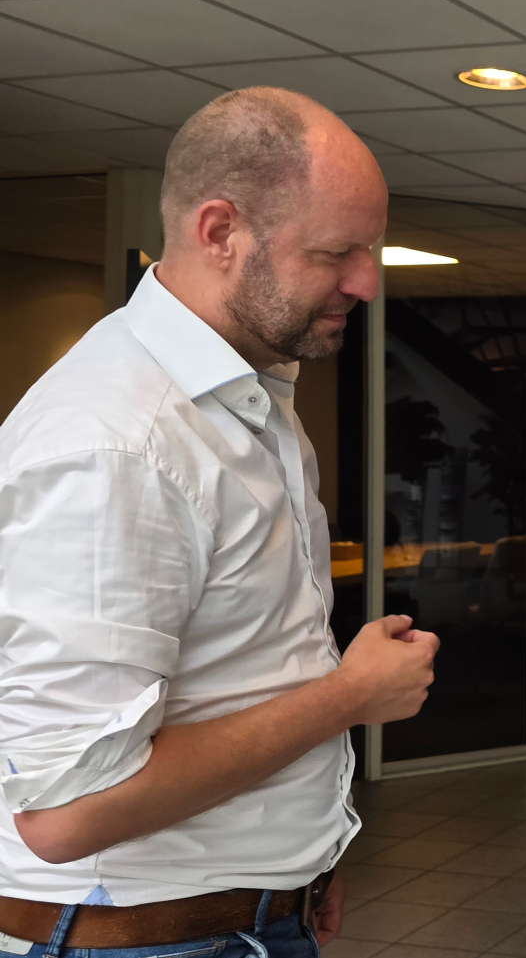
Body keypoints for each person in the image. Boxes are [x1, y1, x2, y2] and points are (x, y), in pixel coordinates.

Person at [0, 87, 438, 956]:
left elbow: (244, 672)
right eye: (336, 250)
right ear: (219, 230)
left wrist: (299, 862)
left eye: (372, 248)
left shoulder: (251, 405)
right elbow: (66, 811)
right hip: (138, 941)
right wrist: (349, 696)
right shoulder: (118, 445)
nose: (368, 281)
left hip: (235, 920)